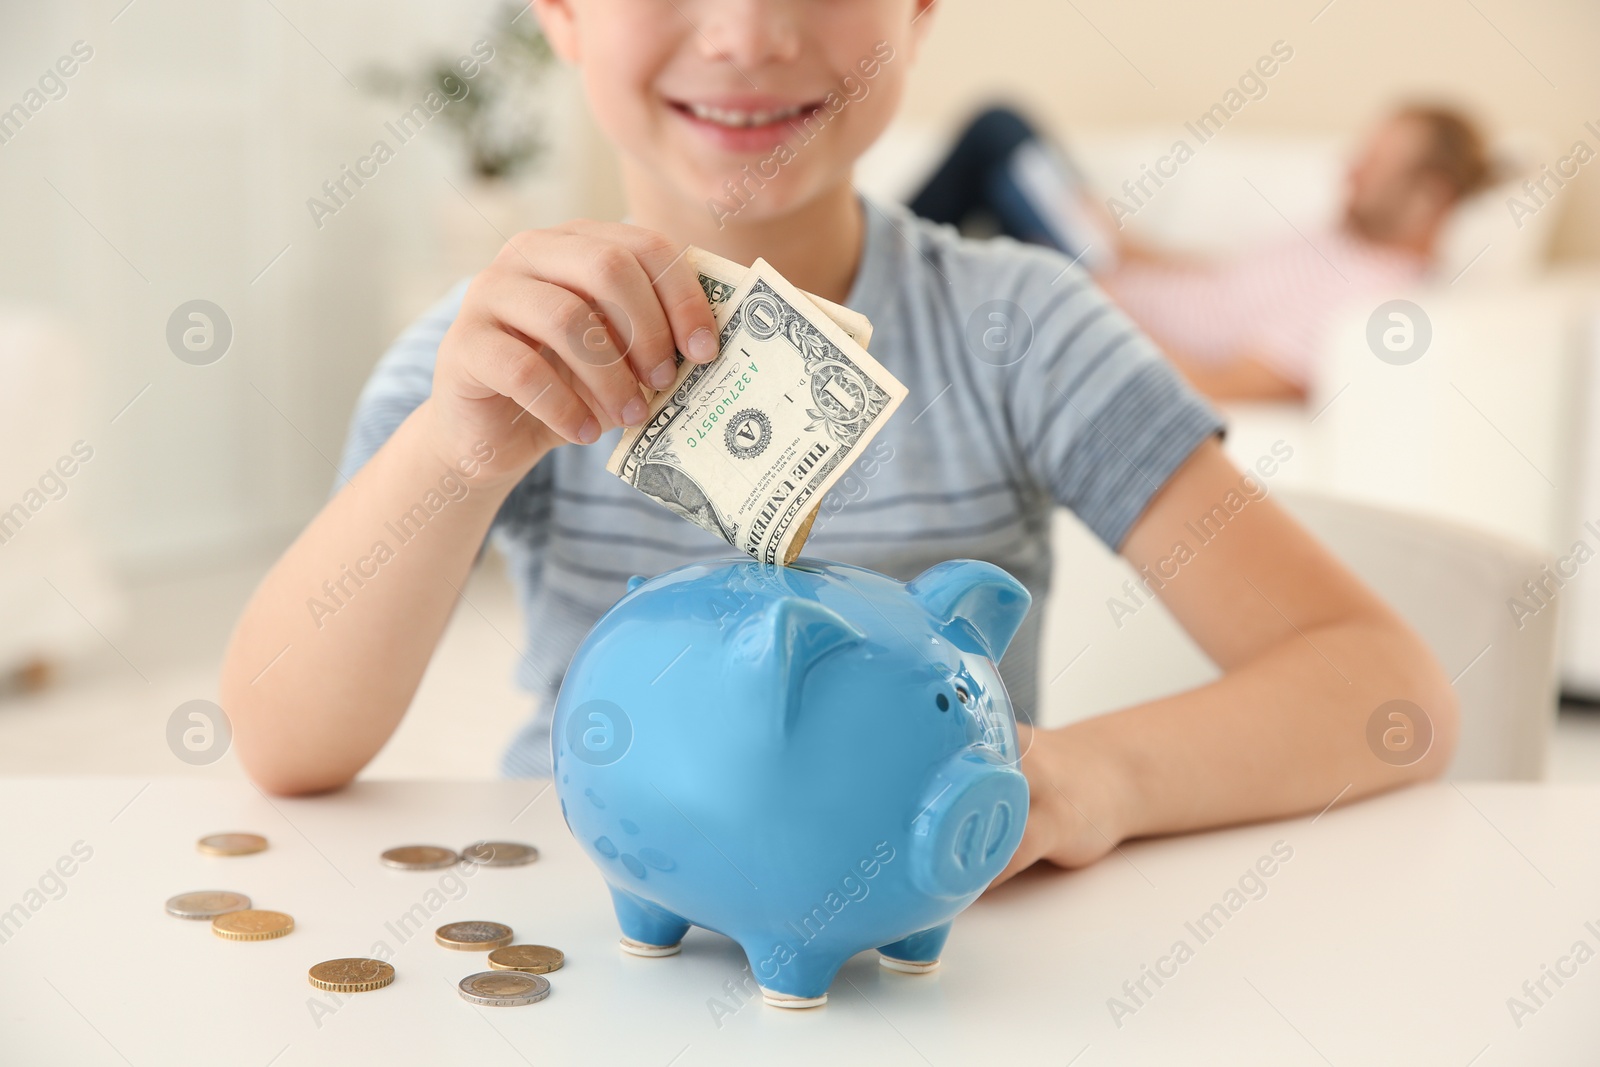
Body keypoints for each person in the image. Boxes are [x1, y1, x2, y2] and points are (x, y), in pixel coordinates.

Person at [221, 0, 1458, 886]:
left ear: (922, 11)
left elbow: (1386, 686)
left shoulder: (1024, 329)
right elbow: (283, 741)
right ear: (561, 11)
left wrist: (1090, 779)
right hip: (603, 914)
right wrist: (459, 449)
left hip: (935, 947)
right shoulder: (491, 356)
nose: (748, 31)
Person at [910, 103, 1493, 401]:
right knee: (1002, 146)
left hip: (1097, 312)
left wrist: (1107, 306)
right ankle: (845, 281)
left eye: (1374, 164)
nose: (1350, 169)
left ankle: (834, 282)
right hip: (1105, 275)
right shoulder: (1337, 239)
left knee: (998, 133)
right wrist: (1122, 243)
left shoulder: (1371, 300)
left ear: (1428, 198)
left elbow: (1220, 384)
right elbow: (1219, 282)